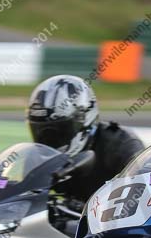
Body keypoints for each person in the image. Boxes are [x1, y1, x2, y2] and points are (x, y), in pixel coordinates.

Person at [26, 74, 144, 203]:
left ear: (83, 120)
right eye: (42, 133)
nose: (49, 140)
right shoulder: (38, 156)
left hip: (112, 219)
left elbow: (142, 196)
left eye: (58, 131)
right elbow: (26, 198)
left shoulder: (122, 145)